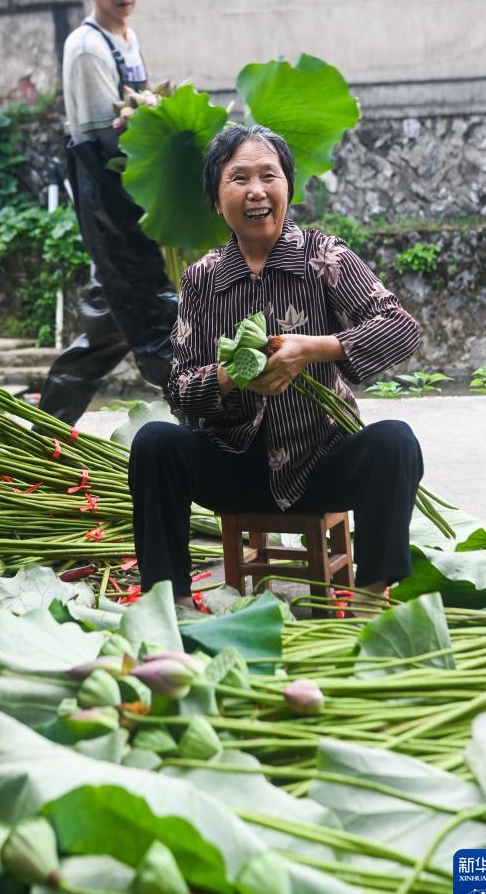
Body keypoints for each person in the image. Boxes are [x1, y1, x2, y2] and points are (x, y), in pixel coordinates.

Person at [128, 125, 424, 610]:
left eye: (269, 175)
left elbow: (400, 328)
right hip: (233, 466)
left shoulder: (325, 258)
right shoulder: (203, 280)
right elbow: (178, 389)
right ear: (215, 197)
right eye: (238, 178)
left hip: (320, 462)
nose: (256, 191)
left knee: (395, 441)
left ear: (287, 186)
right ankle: (170, 603)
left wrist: (314, 348)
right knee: (155, 444)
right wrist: (230, 375)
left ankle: (372, 595)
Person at [37, 0, 177, 426]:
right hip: (110, 201)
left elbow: (134, 116)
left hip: (130, 198)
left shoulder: (128, 38)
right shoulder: (87, 47)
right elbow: (110, 141)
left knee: (106, 327)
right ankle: (211, 430)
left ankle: (44, 433)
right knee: (158, 322)